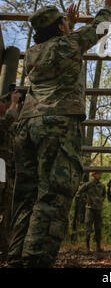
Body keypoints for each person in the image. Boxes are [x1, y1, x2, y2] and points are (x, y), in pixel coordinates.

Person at [7, 0, 111, 268]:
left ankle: (15, 258)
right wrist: (106, 7)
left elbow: (61, 41)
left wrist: (66, 23)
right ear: (58, 29)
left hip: (26, 128)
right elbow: (97, 30)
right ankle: (34, 262)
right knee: (52, 195)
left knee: (26, 198)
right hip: (55, 126)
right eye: (64, 24)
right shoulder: (66, 45)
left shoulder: (33, 53)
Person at [0, 89, 22, 260]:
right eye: (3, 101)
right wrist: (14, 103)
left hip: (5, 168)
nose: (6, 104)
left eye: (7, 101)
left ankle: (3, 247)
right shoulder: (4, 121)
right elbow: (8, 121)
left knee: (5, 206)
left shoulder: (7, 122)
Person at [76, 171, 106, 252]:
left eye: (100, 174)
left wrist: (102, 201)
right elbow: (78, 193)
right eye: (98, 174)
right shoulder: (88, 184)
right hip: (90, 209)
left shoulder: (102, 186)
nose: (100, 175)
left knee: (98, 228)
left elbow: (104, 195)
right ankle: (87, 248)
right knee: (88, 228)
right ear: (93, 175)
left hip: (98, 209)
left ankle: (98, 247)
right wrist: (85, 200)